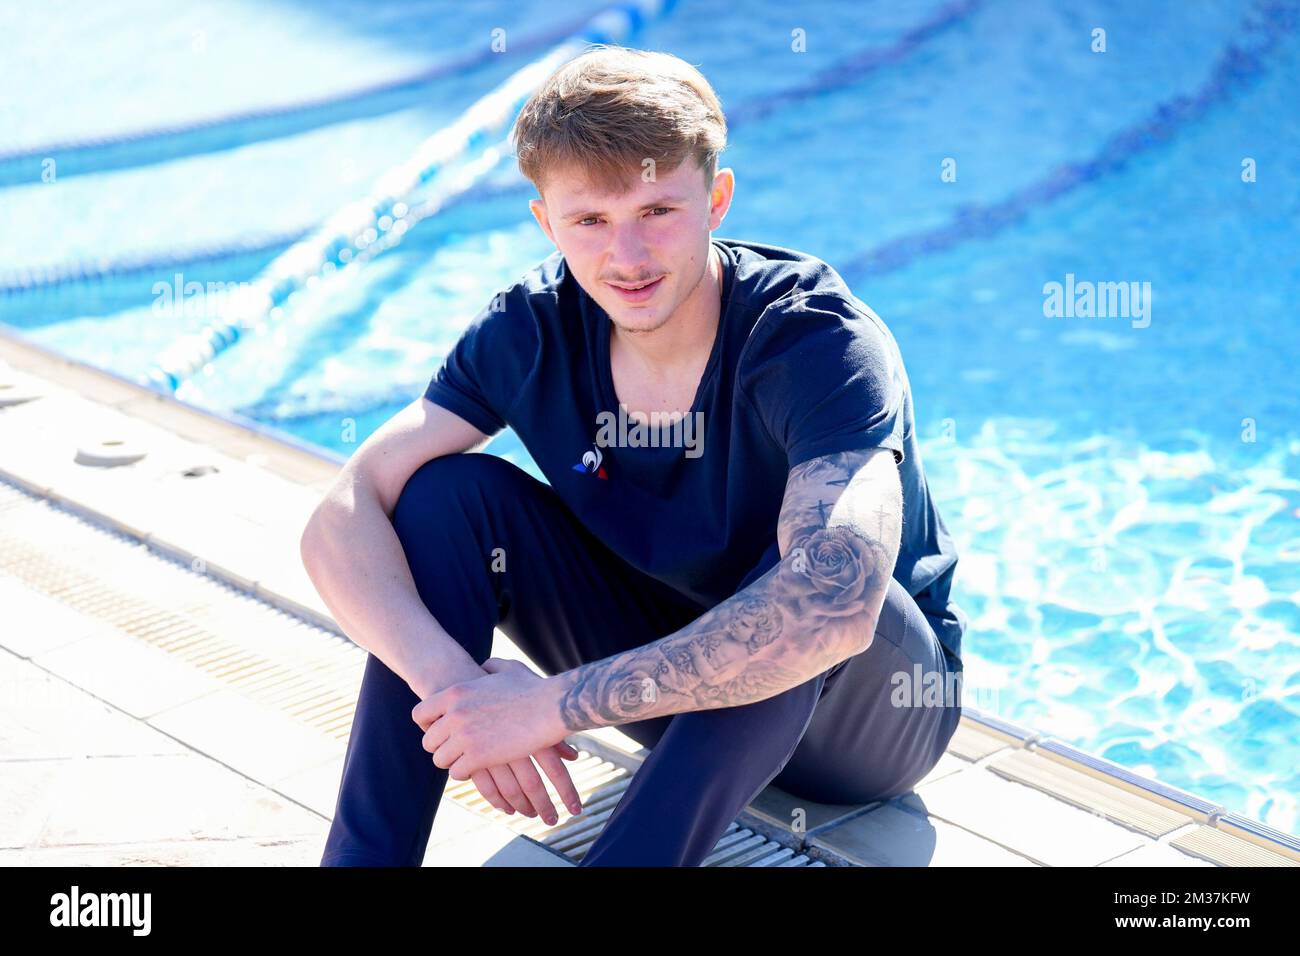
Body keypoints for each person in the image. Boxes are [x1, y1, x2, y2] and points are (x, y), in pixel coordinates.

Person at [301, 43, 967, 868]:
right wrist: (455, 690)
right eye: (590, 221)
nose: (628, 257)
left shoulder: (810, 339)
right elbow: (343, 509)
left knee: (800, 581)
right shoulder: (532, 330)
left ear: (716, 198)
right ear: (547, 223)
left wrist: (550, 707)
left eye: (658, 211)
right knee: (445, 498)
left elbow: (835, 609)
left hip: (864, 726)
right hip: (671, 696)